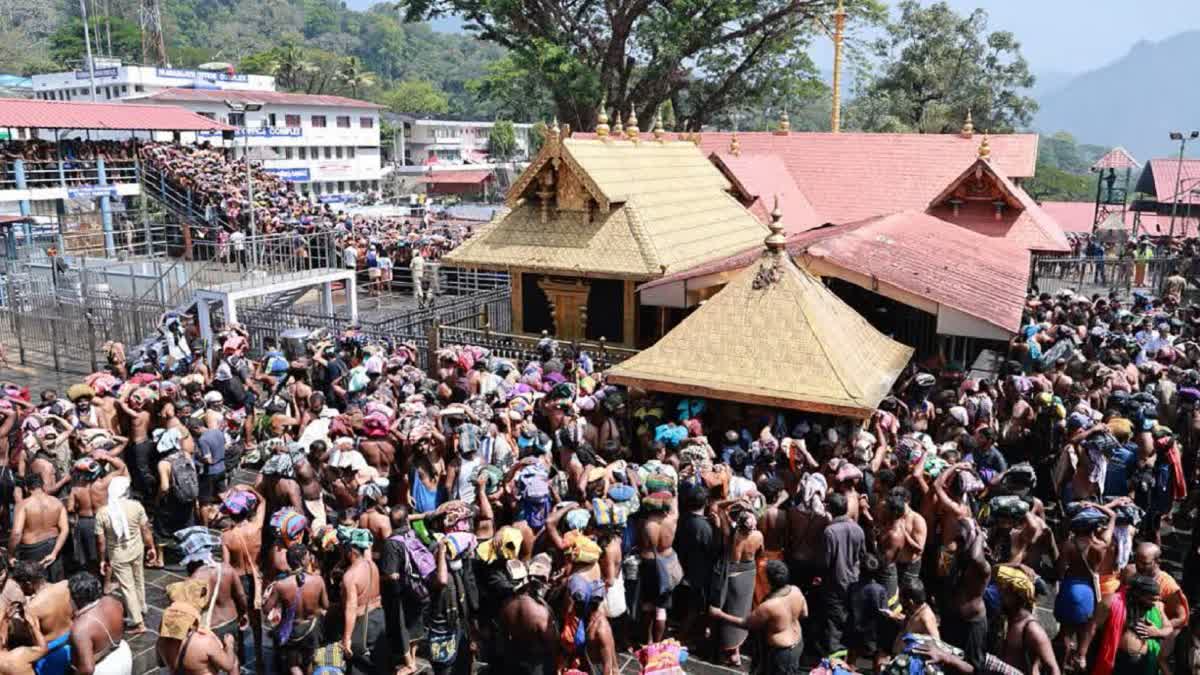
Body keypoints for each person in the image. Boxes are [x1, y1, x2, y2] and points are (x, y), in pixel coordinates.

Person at [710, 560, 807, 675]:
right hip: (797, 644)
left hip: (781, 654)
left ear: (768, 581)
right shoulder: (796, 591)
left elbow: (746, 623)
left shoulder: (769, 606)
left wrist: (719, 614)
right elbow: (804, 613)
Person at [95, 476, 155, 635]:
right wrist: (152, 547)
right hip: (137, 549)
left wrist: (102, 559)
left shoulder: (103, 513)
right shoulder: (136, 506)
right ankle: (141, 607)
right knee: (138, 579)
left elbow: (101, 542)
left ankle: (138, 622)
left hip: (118, 554)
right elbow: (146, 530)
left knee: (127, 588)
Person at [263, 544, 328, 675]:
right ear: (304, 559)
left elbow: (266, 609)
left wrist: (265, 598)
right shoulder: (318, 580)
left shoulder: (281, 585)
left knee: (293, 664)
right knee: (309, 661)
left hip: (292, 630)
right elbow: (325, 605)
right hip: (312, 629)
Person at [340, 527, 390, 675]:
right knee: (380, 664)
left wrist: (347, 638)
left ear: (351, 551)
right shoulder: (372, 565)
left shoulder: (350, 576)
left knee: (359, 668)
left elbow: (351, 608)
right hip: (379, 619)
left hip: (363, 626)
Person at [821, 491, 864, 655]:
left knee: (833, 620)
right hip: (853, 580)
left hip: (834, 581)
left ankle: (833, 655)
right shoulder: (857, 529)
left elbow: (827, 561)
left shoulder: (830, 531)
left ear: (831, 509)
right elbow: (862, 555)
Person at [66, 571, 132, 675]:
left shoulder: (80, 629)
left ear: (75, 597)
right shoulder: (113, 601)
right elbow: (123, 626)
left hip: (104, 670)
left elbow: (87, 669)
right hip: (123, 654)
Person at [9, 473, 69, 582]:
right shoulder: (57, 502)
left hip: (32, 551)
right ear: (43, 486)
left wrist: (10, 554)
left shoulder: (23, 505)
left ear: (26, 488)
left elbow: (16, 533)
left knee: (33, 585)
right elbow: (65, 530)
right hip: (53, 546)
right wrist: (54, 553)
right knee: (55, 584)